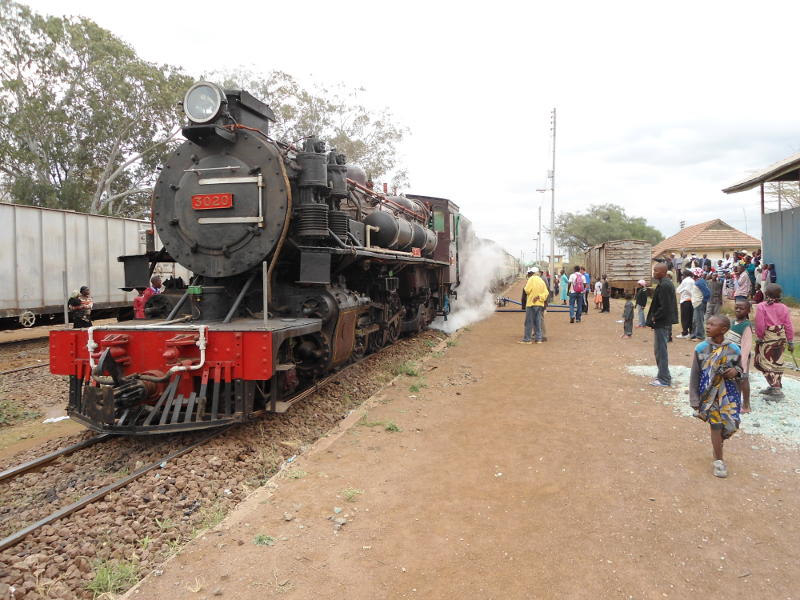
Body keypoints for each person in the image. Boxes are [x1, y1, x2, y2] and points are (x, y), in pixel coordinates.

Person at [689, 315, 742, 478]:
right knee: (716, 425)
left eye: (712, 324)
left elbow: (741, 370)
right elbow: (695, 375)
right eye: (707, 323)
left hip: (729, 394)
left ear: (724, 329)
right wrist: (694, 399)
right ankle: (719, 461)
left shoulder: (734, 349)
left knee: (731, 426)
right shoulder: (701, 348)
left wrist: (736, 371)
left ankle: (717, 444)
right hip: (709, 395)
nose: (707, 326)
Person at [754, 283, 795, 400]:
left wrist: (760, 337)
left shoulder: (761, 306)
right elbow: (788, 325)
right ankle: (774, 386)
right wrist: (790, 341)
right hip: (780, 339)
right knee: (777, 362)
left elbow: (760, 325)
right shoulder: (784, 308)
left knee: (765, 363)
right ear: (780, 295)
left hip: (768, 339)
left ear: (766, 294)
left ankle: (776, 389)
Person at [646, 262, 678, 387]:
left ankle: (664, 379)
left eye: (656, 271)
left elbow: (665, 306)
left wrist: (655, 317)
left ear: (663, 272)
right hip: (662, 321)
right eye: (654, 270)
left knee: (661, 350)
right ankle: (663, 375)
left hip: (662, 321)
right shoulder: (664, 284)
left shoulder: (665, 285)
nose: (654, 273)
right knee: (659, 350)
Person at [725, 300, 753, 413]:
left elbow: (746, 347)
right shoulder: (733, 322)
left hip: (741, 358)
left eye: (741, 308)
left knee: (743, 379)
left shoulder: (746, 326)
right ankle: (734, 401)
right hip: (730, 357)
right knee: (733, 379)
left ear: (748, 311)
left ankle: (746, 406)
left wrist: (742, 364)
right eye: (736, 307)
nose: (738, 310)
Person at [518, 267, 549, 344]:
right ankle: (538, 339)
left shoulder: (531, 279)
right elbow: (546, 293)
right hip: (540, 304)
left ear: (532, 273)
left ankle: (527, 339)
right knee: (538, 322)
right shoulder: (541, 281)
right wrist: (539, 297)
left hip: (531, 304)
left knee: (529, 322)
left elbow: (527, 290)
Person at [690, 268, 710, 341]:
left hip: (699, 303)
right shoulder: (699, 281)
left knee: (699, 320)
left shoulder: (700, 282)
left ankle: (700, 336)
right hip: (696, 303)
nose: (692, 275)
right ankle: (694, 335)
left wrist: (703, 302)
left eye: (693, 274)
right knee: (695, 320)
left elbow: (707, 293)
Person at [675, 269, 695, 339]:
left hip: (685, 301)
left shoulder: (686, 281)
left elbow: (678, 290)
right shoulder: (692, 280)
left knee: (684, 317)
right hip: (692, 301)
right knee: (690, 317)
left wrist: (683, 290)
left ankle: (685, 332)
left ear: (685, 275)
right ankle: (691, 332)